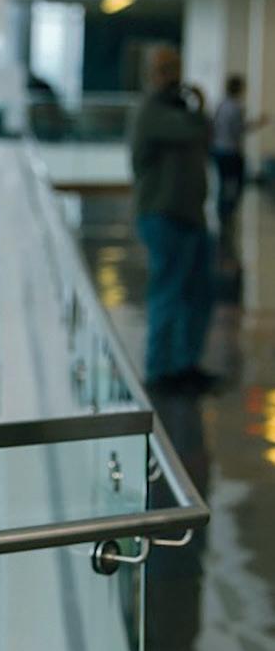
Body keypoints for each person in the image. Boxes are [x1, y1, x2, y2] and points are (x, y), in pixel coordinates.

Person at [129, 46, 215, 394]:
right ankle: (160, 370)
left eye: (174, 67)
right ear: (150, 73)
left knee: (197, 295)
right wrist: (200, 105)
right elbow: (194, 130)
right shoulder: (151, 111)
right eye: (163, 68)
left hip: (191, 214)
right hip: (163, 216)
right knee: (168, 293)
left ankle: (185, 365)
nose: (170, 75)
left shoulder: (177, 108)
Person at [212, 74, 269, 262]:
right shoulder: (236, 108)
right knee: (233, 184)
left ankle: (224, 212)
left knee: (224, 183)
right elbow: (238, 130)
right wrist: (258, 123)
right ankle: (227, 213)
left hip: (219, 150)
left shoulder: (221, 105)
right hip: (231, 152)